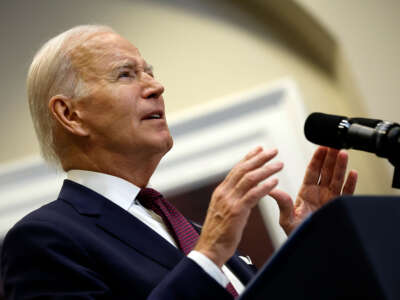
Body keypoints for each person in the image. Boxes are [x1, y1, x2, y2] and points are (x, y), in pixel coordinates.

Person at [1, 25, 357, 299]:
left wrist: (310, 249)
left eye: (149, 72)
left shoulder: (191, 231)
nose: (156, 87)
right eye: (126, 74)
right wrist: (208, 256)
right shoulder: (43, 239)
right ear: (70, 114)